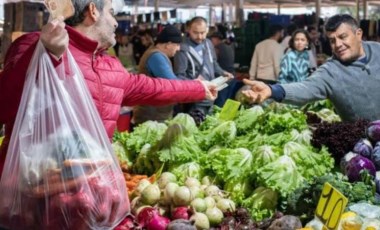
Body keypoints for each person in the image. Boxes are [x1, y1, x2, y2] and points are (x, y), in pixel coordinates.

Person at [0, 0, 217, 176]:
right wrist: (49, 55)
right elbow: (5, 104)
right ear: (93, 11)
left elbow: (153, 87)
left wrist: (198, 88)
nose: (115, 23)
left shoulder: (110, 66)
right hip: (30, 189)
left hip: (86, 189)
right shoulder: (34, 46)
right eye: (111, 13)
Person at [242, 14, 380, 122]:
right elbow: (305, 88)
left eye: (343, 37)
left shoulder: (377, 50)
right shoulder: (330, 71)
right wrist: (272, 90)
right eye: (332, 40)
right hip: (365, 147)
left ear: (359, 34)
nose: (338, 44)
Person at [173, 16, 233, 114]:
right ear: (189, 30)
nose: (200, 37)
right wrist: (194, 83)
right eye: (195, 33)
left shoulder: (208, 44)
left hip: (211, 96)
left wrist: (222, 72)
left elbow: (213, 63)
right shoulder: (182, 49)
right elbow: (179, 76)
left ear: (207, 30)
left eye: (202, 33)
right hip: (194, 98)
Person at [132, 25, 182, 125]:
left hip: (156, 116)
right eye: (177, 45)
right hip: (152, 118)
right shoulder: (156, 56)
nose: (178, 49)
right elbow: (173, 83)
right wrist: (194, 84)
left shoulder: (156, 53)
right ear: (168, 44)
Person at [209, 31, 242, 107]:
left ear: (216, 39)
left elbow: (213, 63)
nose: (211, 42)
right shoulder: (229, 46)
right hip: (232, 76)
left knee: (220, 102)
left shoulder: (217, 48)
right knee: (227, 101)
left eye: (212, 40)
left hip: (223, 78)